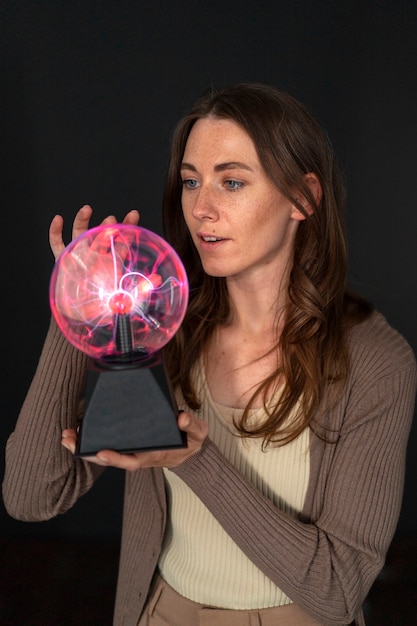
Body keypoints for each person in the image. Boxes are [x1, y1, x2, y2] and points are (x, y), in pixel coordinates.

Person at [3, 83, 416, 626]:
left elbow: (338, 589)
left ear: (303, 198)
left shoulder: (375, 361)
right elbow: (32, 497)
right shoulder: (161, 326)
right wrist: (77, 305)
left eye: (233, 181)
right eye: (191, 180)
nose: (201, 208)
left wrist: (193, 459)